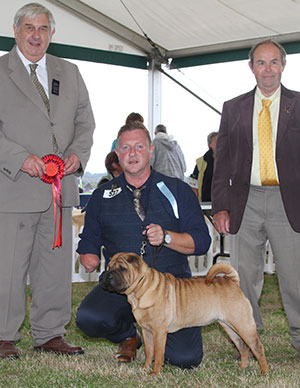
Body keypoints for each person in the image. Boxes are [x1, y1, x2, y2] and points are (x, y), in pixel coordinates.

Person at [0, 3, 95, 359]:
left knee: (54, 266)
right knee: (7, 267)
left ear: (52, 33)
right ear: (16, 31)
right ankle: (2, 335)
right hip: (12, 187)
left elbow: (85, 122)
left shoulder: (68, 71)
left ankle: (50, 333)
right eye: (29, 28)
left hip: (60, 188)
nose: (36, 35)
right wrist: (19, 158)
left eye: (42, 28)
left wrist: (78, 155)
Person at [76, 121, 211, 368]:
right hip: (120, 285)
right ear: (117, 154)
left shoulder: (178, 190)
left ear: (151, 150)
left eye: (139, 146)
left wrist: (168, 237)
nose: (132, 153)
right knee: (89, 318)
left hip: (171, 290)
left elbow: (202, 241)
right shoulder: (102, 195)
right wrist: (88, 255)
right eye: (125, 148)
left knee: (184, 359)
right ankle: (129, 335)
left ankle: (154, 332)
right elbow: (89, 239)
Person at [212, 39, 300, 358]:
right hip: (244, 202)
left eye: (273, 62)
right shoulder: (233, 108)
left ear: (283, 65)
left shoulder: (299, 104)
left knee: (295, 276)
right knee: (244, 277)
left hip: (288, 202)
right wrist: (221, 206)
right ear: (251, 67)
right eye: (260, 63)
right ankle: (249, 337)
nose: (267, 69)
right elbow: (221, 161)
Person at [191, 131, 218, 201]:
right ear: (210, 145)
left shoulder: (229, 162)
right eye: (217, 141)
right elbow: (193, 182)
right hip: (205, 203)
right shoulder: (201, 162)